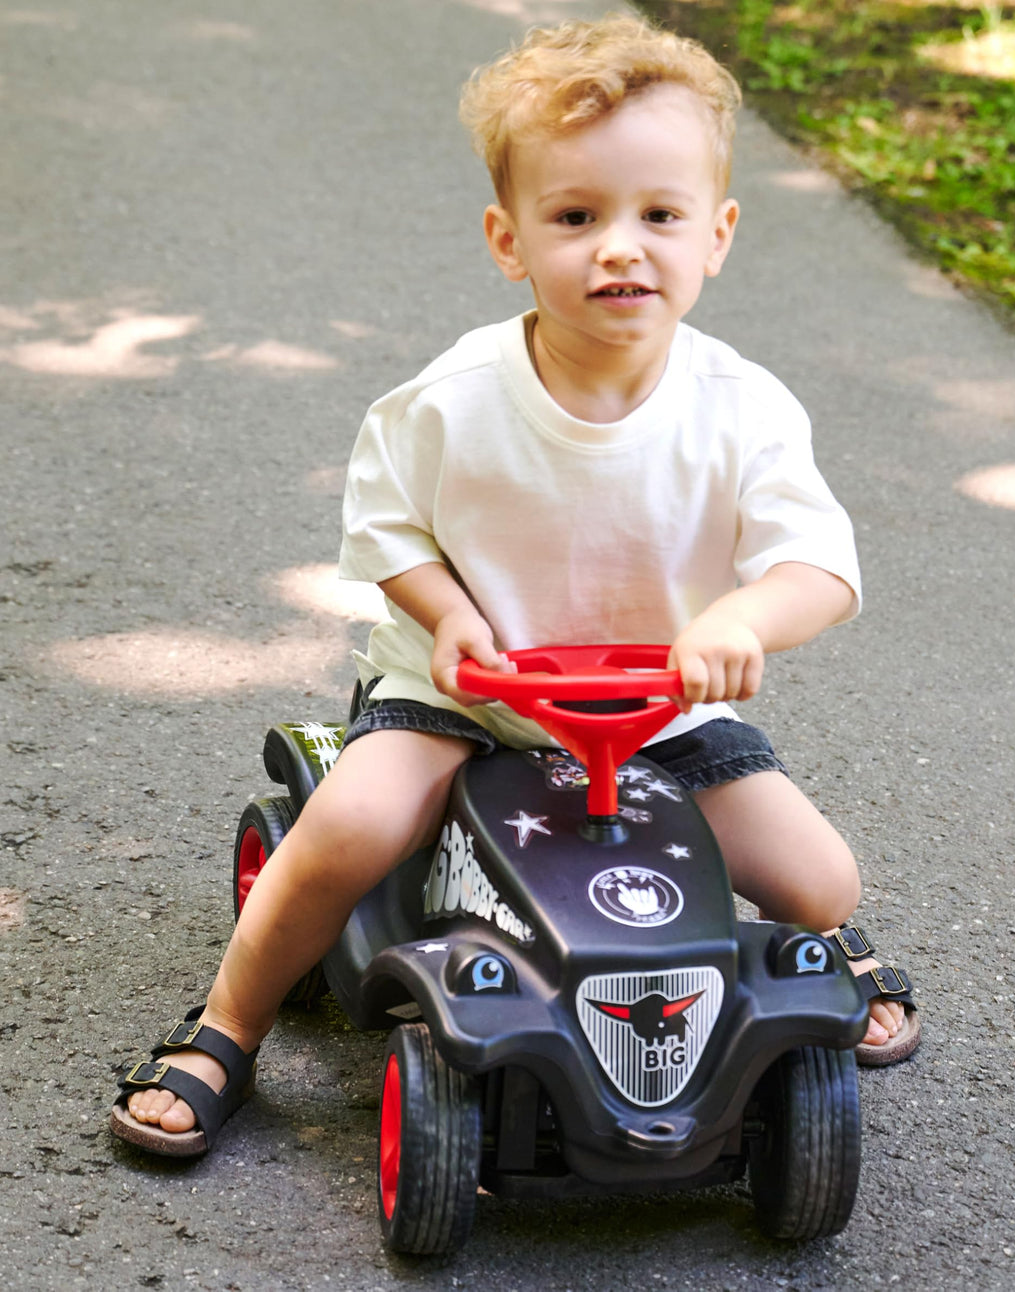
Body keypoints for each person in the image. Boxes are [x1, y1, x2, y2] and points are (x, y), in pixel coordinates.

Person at [110, 14, 919, 1159]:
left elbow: (818, 564)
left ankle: (807, 961)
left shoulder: (742, 408)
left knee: (818, 876)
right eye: (576, 216)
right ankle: (227, 1025)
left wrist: (744, 615)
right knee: (350, 822)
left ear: (717, 235)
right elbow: (384, 528)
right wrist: (447, 616)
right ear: (510, 238)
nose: (619, 249)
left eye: (659, 215)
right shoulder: (452, 399)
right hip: (471, 696)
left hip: (661, 710)